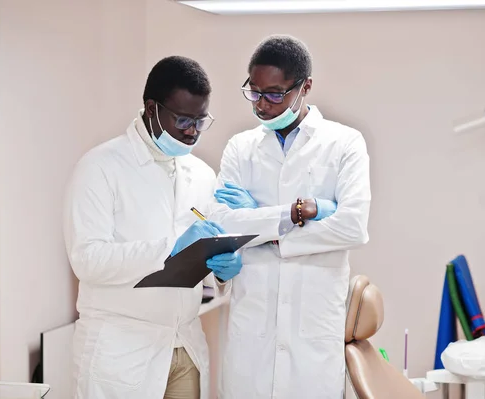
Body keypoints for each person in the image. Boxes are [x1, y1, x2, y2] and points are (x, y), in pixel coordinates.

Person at [63, 55, 242, 399]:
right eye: (183, 119)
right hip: (122, 349)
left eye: (201, 120)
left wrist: (223, 271)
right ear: (151, 108)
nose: (192, 131)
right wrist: (169, 249)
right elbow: (86, 259)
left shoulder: (202, 174)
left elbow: (207, 255)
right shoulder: (100, 167)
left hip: (184, 345)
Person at [209, 35, 372, 398]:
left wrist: (262, 225)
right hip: (253, 335)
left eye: (275, 94)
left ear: (306, 87)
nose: (261, 105)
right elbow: (223, 221)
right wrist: (296, 214)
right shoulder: (240, 148)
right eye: (254, 92)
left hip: (312, 334)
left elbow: (352, 226)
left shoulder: (345, 144)